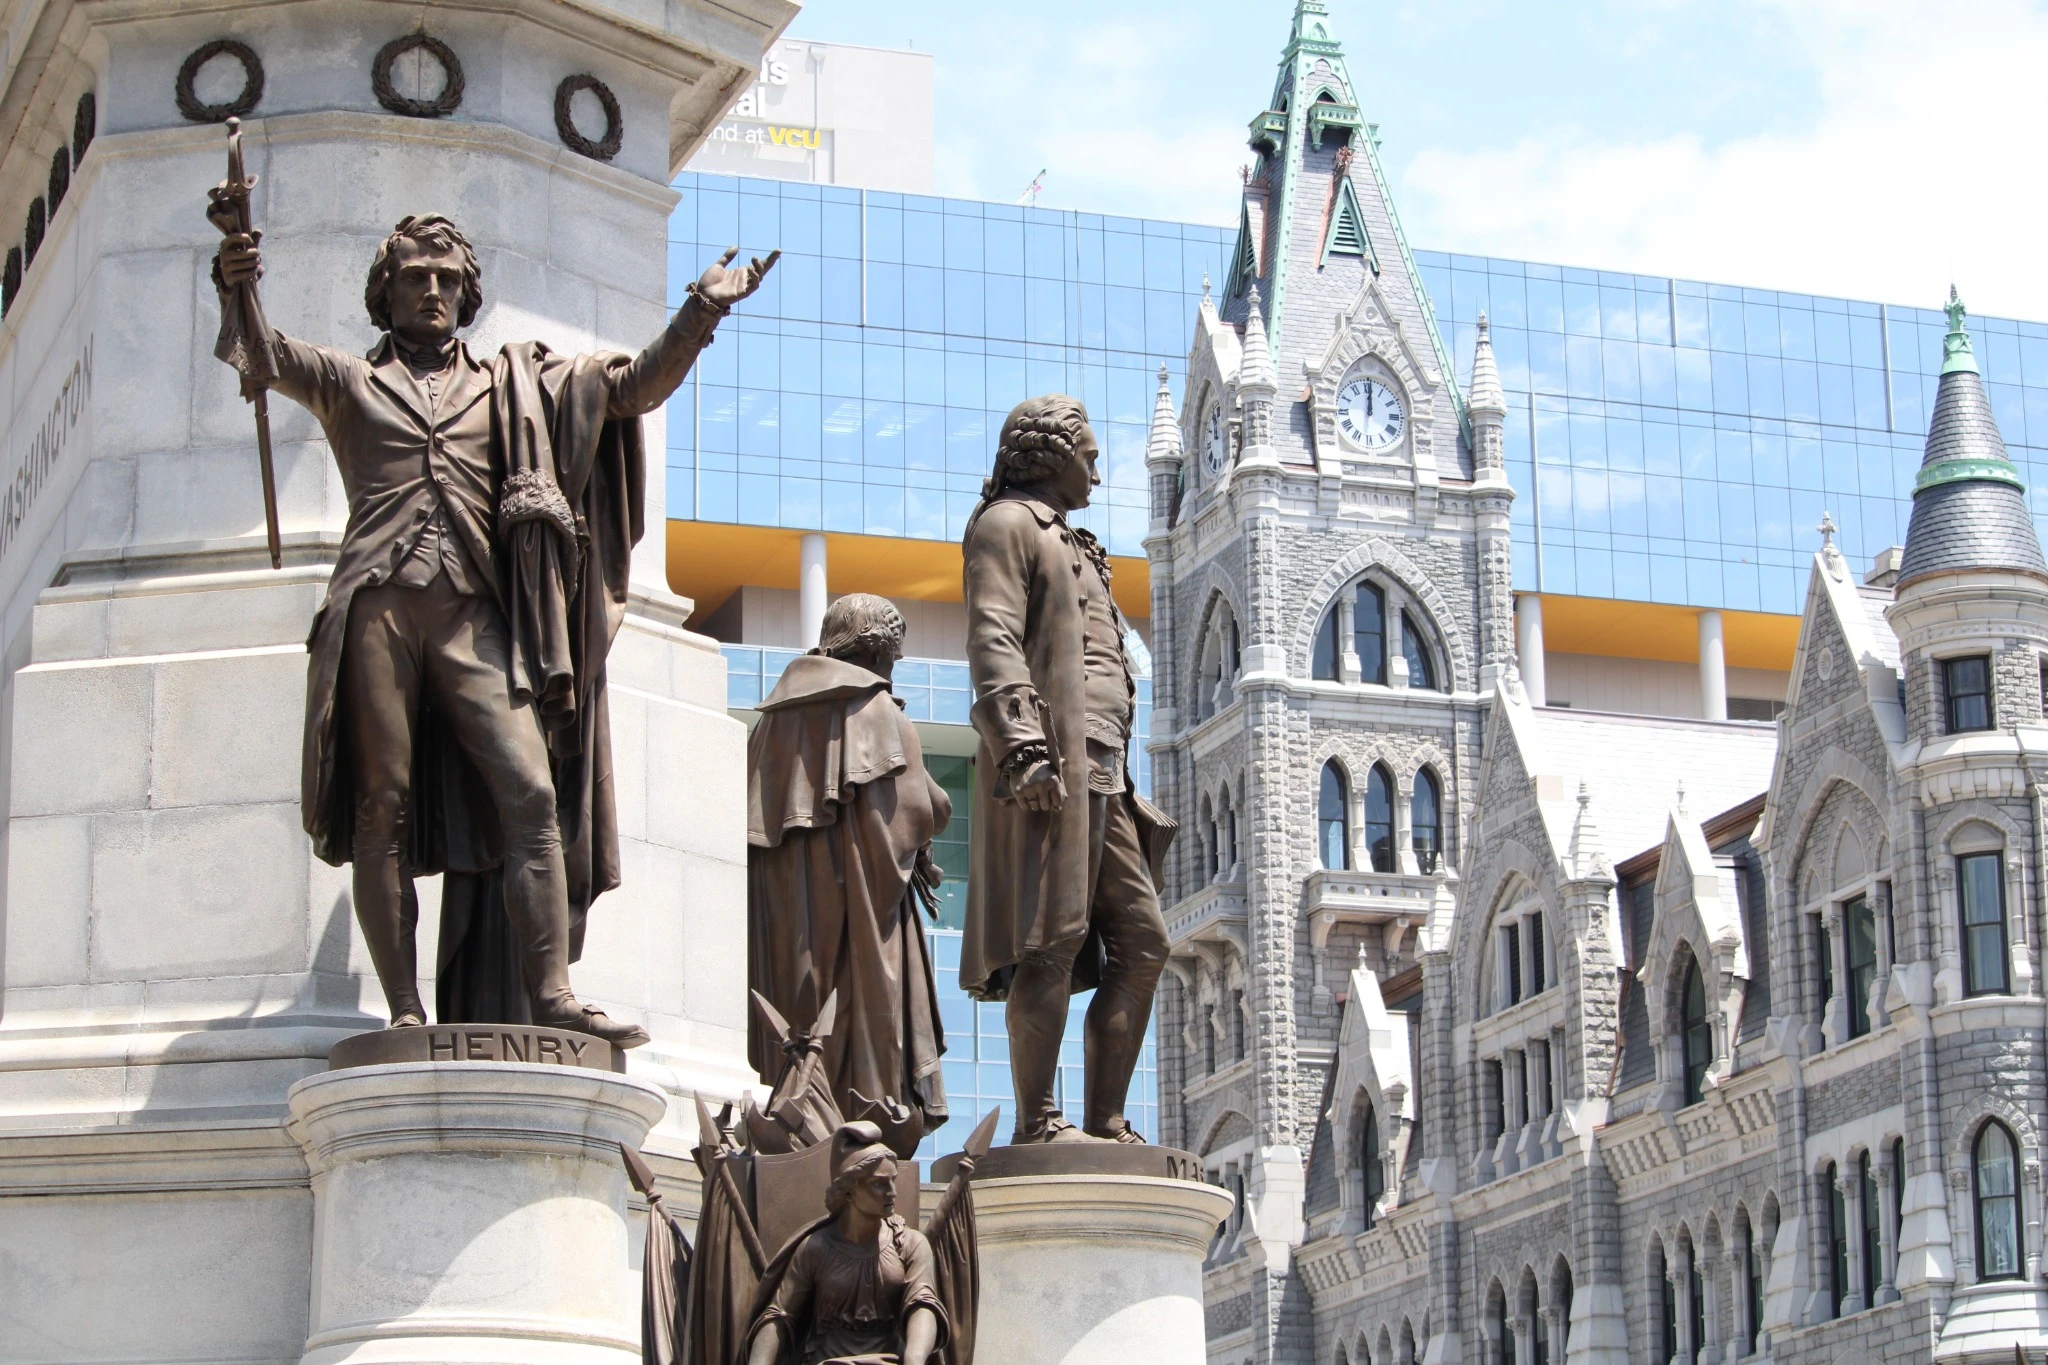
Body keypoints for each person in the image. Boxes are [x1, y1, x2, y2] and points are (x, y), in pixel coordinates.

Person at [210, 213, 774, 1045]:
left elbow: (631, 390)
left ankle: (549, 990)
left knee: (532, 791)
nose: (431, 288)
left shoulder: (516, 385)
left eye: (444, 276)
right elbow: (263, 358)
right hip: (378, 604)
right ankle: (404, 1004)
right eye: (413, 276)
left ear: (468, 290)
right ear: (386, 293)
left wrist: (701, 309)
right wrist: (237, 282)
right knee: (382, 807)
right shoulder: (351, 383)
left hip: (474, 611)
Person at [959, 394, 1173, 1143]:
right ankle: (1036, 1121)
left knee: (1145, 943)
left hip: (1107, 770)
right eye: (1089, 456)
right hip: (1057, 763)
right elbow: (993, 639)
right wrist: (1021, 746)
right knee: (1051, 937)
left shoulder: (1072, 540)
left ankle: (1106, 1118)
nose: (1098, 474)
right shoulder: (1006, 524)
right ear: (1048, 455)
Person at [746, 594, 951, 1150]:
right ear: (877, 652)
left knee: (799, 1016)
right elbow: (912, 817)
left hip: (788, 924)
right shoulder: (879, 712)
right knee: (867, 1009)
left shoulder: (768, 725)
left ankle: (799, 1110)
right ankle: (861, 1120)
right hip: (865, 913)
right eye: (893, 658)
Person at [742, 1122, 948, 1365]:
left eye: (893, 1180)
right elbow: (780, 1315)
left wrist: (914, 1358)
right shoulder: (815, 1248)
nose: (892, 1192)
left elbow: (922, 1303)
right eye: (879, 1183)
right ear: (848, 1189)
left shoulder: (910, 1243)